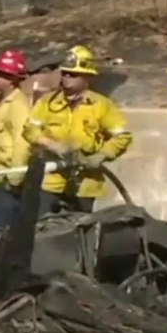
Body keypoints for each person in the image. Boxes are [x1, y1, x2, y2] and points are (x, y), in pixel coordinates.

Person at [22, 45, 133, 214]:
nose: (66, 77)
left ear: (87, 77)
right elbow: (29, 129)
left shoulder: (102, 106)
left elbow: (122, 137)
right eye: (64, 73)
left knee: (78, 232)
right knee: (44, 229)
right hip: (51, 180)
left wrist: (102, 155)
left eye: (73, 74)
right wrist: (51, 145)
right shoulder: (47, 103)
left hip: (85, 182)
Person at [0, 50, 32, 251]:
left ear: (12, 79)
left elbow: (23, 143)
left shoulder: (17, 105)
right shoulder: (2, 102)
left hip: (6, 183)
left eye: (1, 74)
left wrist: (15, 179)